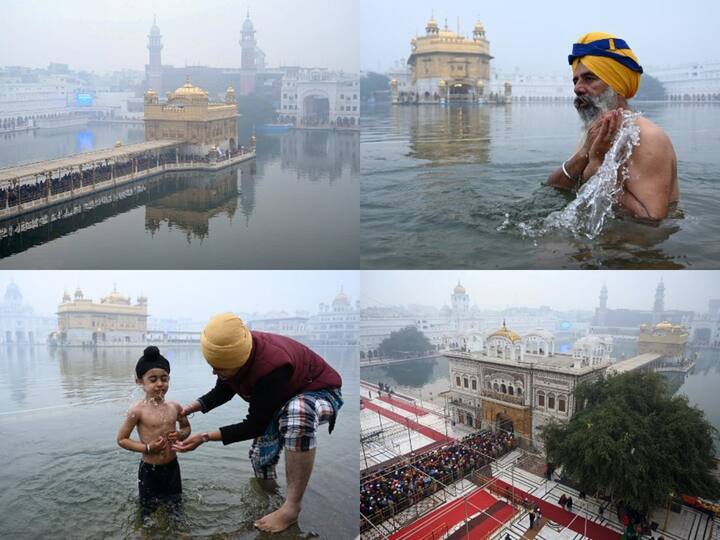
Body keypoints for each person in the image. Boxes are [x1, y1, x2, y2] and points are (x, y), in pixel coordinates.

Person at [171, 313, 343, 533]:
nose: (215, 371)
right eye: (212, 365)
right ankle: (271, 497)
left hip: (320, 393)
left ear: (239, 361)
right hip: (280, 399)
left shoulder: (272, 366)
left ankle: (291, 507)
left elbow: (255, 425)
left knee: (298, 414)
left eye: (219, 368)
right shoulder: (234, 351)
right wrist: (190, 408)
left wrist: (204, 437)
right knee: (260, 459)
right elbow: (223, 390)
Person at [547, 32, 678, 221]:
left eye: (589, 78)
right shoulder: (594, 131)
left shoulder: (648, 137)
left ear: (617, 84)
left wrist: (597, 168)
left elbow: (651, 224)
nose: (577, 88)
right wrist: (585, 152)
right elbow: (553, 189)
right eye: (576, 80)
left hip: (631, 248)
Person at [116, 346, 191, 517]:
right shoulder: (137, 411)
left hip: (172, 467)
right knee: (147, 511)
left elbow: (186, 428)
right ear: (140, 382)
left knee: (176, 507)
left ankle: (178, 533)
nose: (160, 384)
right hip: (149, 469)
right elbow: (121, 440)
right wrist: (148, 448)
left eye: (164, 379)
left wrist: (180, 435)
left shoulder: (175, 407)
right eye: (153, 379)